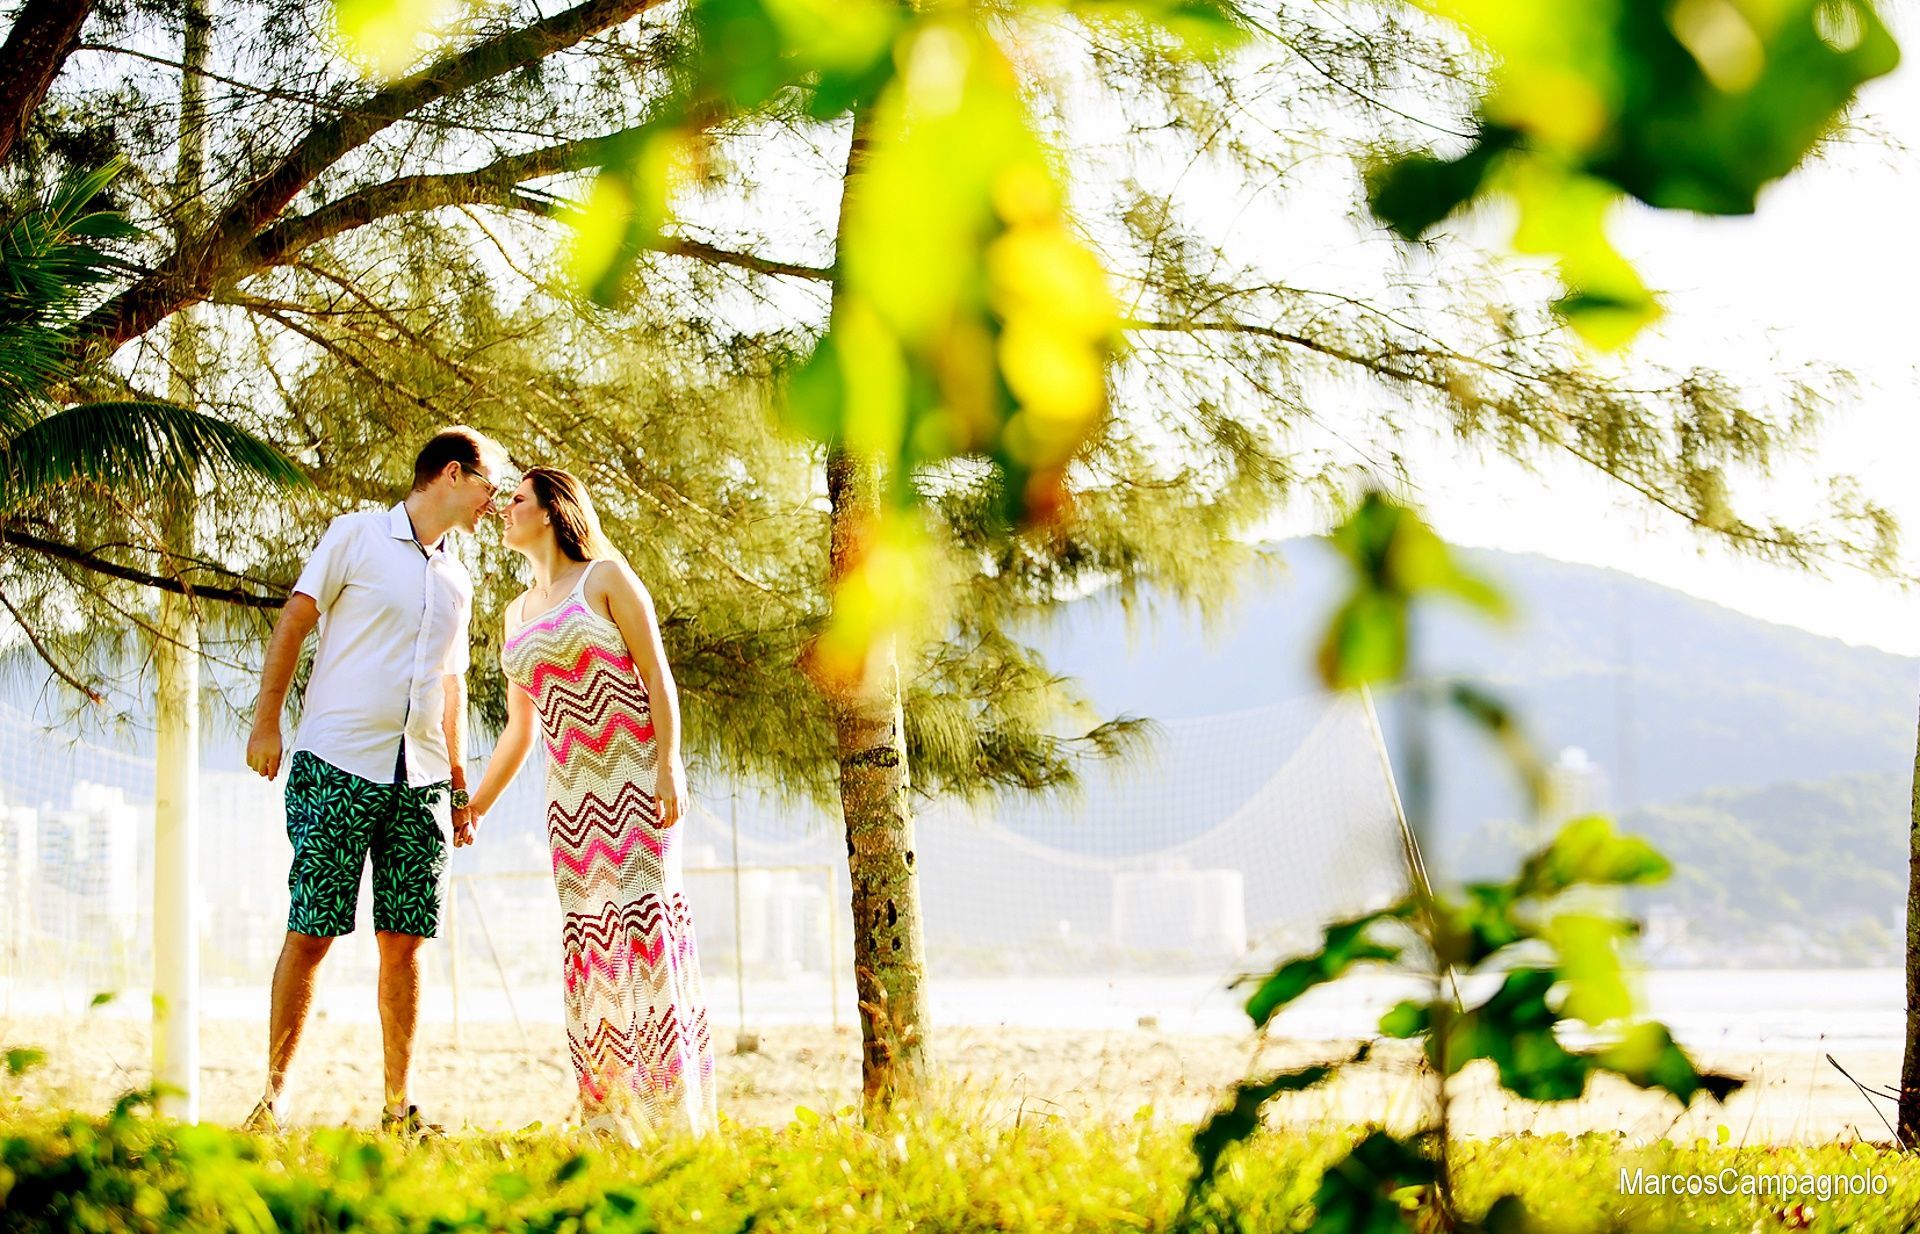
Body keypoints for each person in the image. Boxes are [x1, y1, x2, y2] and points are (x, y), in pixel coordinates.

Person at [241, 426, 507, 1137]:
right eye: (490, 486)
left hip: (419, 783)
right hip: (336, 764)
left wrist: (456, 782)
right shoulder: (355, 536)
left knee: (405, 943)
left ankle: (397, 1108)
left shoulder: (459, 576)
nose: (494, 502)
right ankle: (273, 1101)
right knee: (313, 931)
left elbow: (449, 685)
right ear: (453, 475)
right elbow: (296, 621)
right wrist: (267, 722)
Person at [468, 467, 715, 1142]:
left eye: (515, 500)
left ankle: (675, 1120)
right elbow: (519, 730)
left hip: (636, 786)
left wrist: (669, 764)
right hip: (570, 807)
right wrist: (478, 805)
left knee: (644, 933)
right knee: (591, 947)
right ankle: (610, 1121)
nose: (504, 511)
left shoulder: (605, 578)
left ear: (550, 510)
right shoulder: (513, 616)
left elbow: (657, 674)